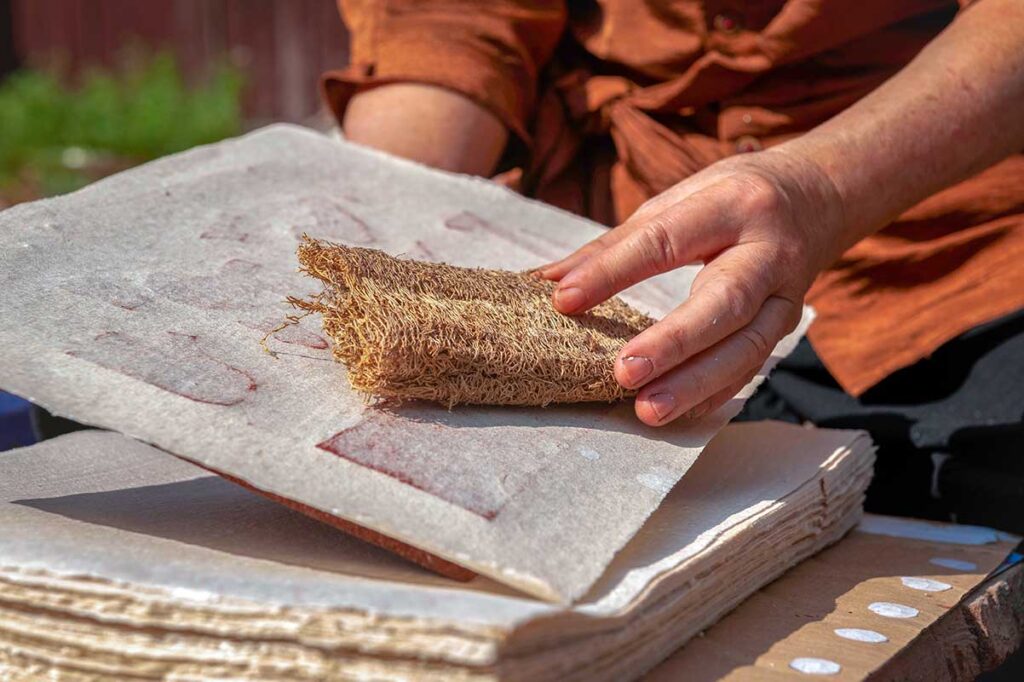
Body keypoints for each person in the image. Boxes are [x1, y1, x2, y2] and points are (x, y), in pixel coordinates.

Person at [321, 0, 1024, 532]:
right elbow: (449, 20)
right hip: (629, 272)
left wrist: (822, 188)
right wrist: (388, 203)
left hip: (959, 246)